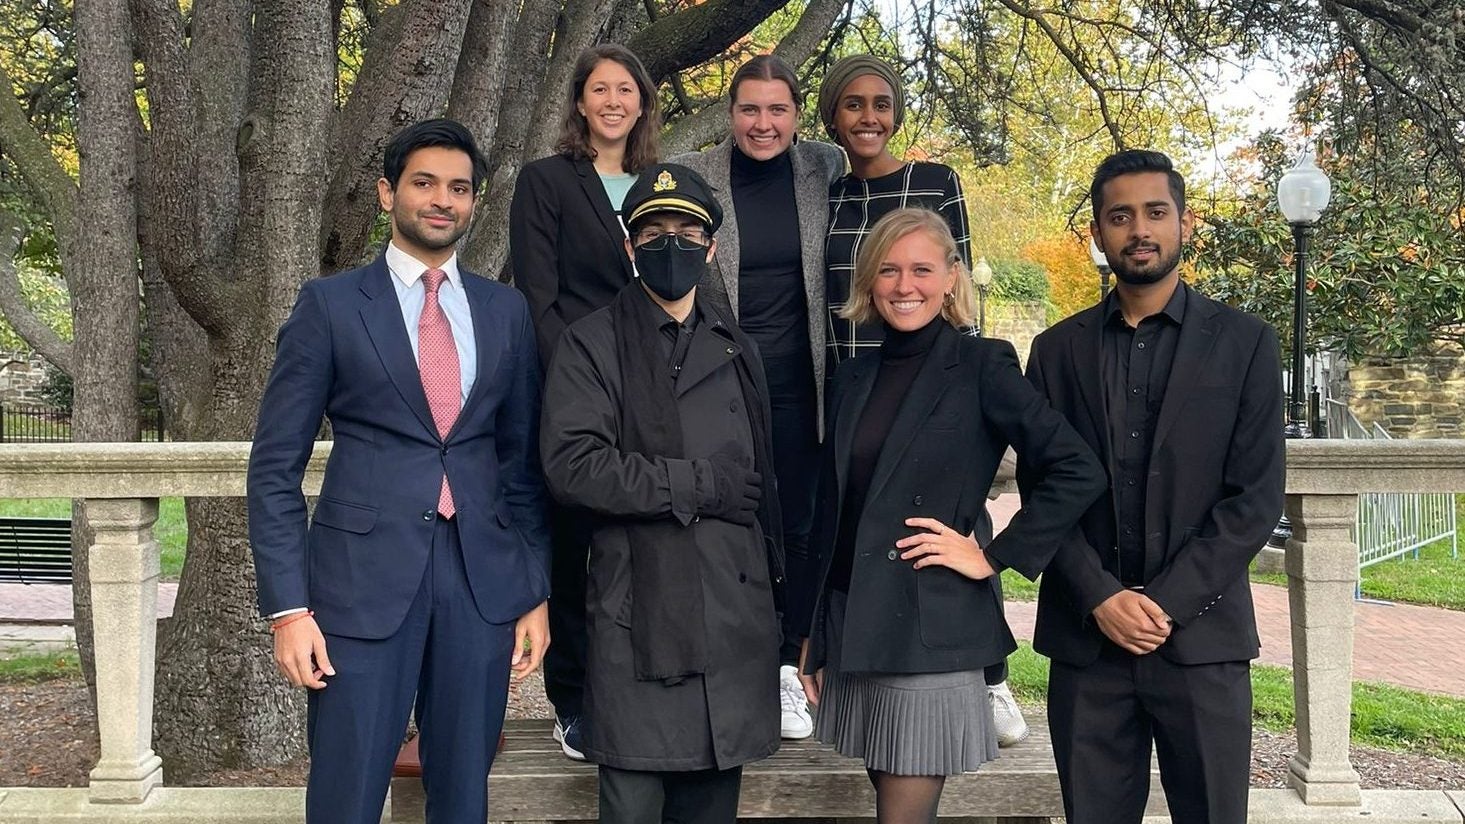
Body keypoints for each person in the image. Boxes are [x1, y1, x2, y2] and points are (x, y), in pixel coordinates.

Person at [247, 118, 551, 824]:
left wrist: (531, 589)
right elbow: (273, 469)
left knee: (461, 792)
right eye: (424, 183)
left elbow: (520, 465)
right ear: (388, 194)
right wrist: (289, 610)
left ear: (473, 202)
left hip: (479, 585)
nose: (442, 200)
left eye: (458, 188)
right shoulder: (328, 306)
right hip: (359, 586)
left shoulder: (505, 312)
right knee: (347, 791)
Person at [798, 208, 1105, 824]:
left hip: (928, 623)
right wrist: (810, 632)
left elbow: (1078, 467)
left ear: (950, 278)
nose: (903, 285)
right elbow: (833, 510)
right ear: (868, 280)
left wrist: (992, 556)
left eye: (920, 269)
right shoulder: (854, 375)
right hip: (854, 618)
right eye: (887, 269)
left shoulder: (982, 365)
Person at [1022, 149, 1284, 824]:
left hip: (1201, 637)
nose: (1138, 229)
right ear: (1097, 234)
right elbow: (1042, 488)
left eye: (1154, 212)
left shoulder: (1246, 343)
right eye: (1119, 216)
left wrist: (1163, 604)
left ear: (1183, 223)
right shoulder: (1055, 352)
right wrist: (1101, 596)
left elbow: (1253, 499)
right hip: (1088, 642)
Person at [540, 162, 784, 824]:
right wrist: (699, 483)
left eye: (685, 231)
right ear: (629, 246)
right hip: (638, 624)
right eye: (653, 232)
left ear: (709, 247)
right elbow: (574, 467)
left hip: (732, 625)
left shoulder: (738, 348)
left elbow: (767, 495)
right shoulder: (588, 346)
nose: (669, 244)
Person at [816, 52, 1028, 746]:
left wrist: (964, 375)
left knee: (951, 521)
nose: (867, 116)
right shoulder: (828, 197)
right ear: (832, 116)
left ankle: (989, 676)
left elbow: (955, 276)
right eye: (852, 104)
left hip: (936, 377)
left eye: (880, 103)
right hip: (858, 374)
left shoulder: (933, 181)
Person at [673, 53, 844, 741]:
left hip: (806, 381)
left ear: (796, 115)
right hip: (721, 379)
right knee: (732, 516)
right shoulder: (695, 173)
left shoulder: (823, 169)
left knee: (799, 523)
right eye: (749, 109)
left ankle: (787, 660)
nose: (762, 123)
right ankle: (726, 658)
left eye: (777, 110)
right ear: (730, 111)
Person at [509, 42, 661, 761]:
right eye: (598, 89)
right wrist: (582, 380)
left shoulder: (661, 181)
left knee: (642, 550)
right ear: (578, 101)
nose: (611, 101)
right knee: (575, 549)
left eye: (624, 89)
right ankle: (572, 703)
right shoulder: (546, 182)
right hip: (573, 390)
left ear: (642, 101)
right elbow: (538, 296)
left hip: (656, 392)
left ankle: (636, 692)